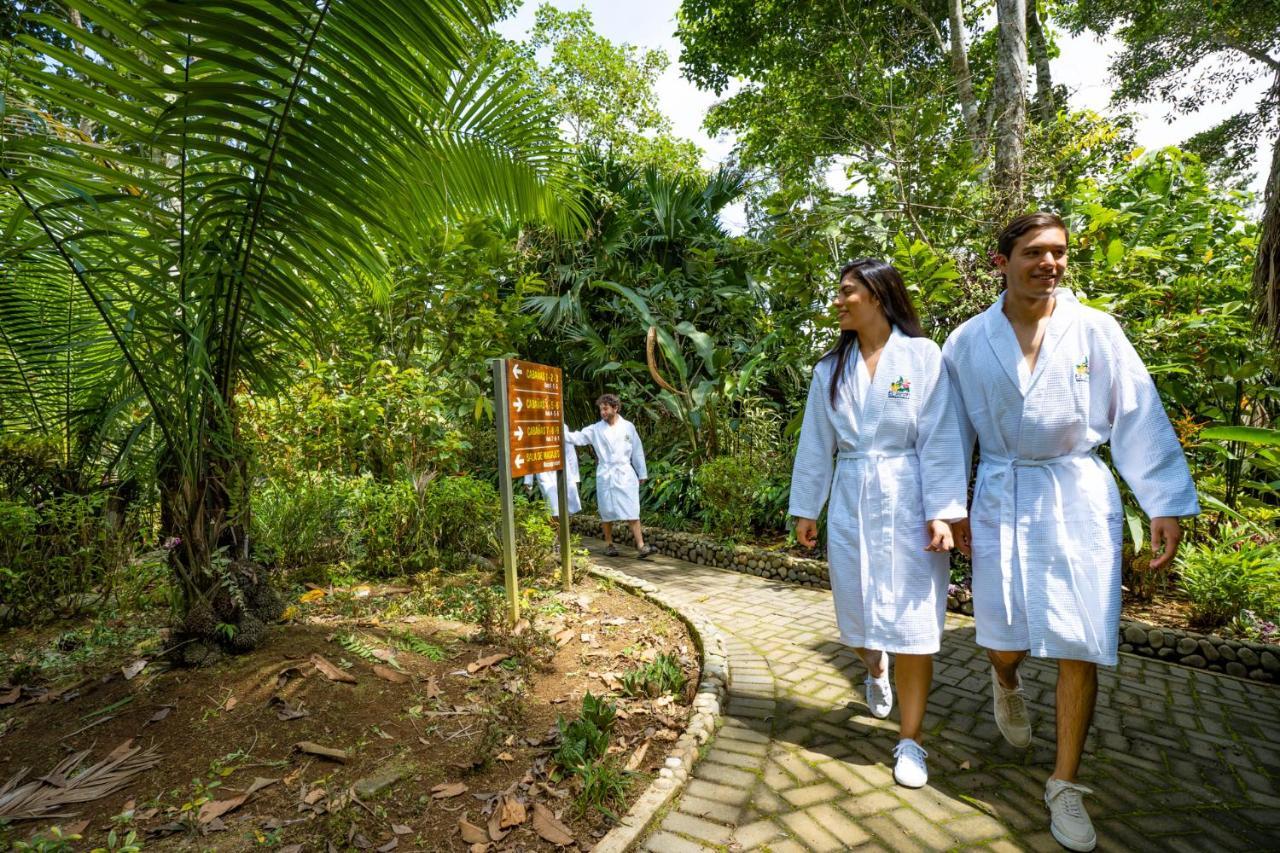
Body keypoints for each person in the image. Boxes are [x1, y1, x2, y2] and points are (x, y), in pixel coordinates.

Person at [943, 212, 1199, 852]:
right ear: (1001, 262)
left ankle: (1064, 783)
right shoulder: (968, 342)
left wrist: (1163, 499)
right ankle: (1005, 679)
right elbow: (949, 434)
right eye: (1034, 252)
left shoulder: (1096, 331)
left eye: (1058, 253)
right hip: (1002, 490)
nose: (1049, 264)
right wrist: (952, 507)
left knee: (1081, 639)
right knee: (1005, 635)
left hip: (1077, 491)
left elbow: (1138, 412)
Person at [789, 258, 967, 789]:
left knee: (914, 626)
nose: (839, 302)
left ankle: (911, 742)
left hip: (910, 497)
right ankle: (873, 667)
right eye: (839, 293)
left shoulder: (921, 356)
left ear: (879, 295)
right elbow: (815, 443)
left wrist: (943, 512)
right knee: (860, 613)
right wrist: (807, 507)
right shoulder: (830, 370)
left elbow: (940, 436)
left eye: (848, 292)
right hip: (851, 495)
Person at [565, 394, 655, 559]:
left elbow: (637, 450)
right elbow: (576, 438)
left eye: (605, 408)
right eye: (600, 409)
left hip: (625, 472)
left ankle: (641, 546)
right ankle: (609, 544)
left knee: (632, 509)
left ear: (615, 408)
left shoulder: (628, 427)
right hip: (606, 473)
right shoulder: (595, 429)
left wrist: (641, 472)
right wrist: (559, 429)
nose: (602, 412)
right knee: (606, 511)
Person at [523, 438, 581, 543]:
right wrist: (528, 479)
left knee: (565, 507)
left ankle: (563, 538)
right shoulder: (534, 427)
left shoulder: (561, 426)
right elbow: (530, 453)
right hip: (544, 471)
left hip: (563, 470)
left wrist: (575, 477)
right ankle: (558, 538)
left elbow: (570, 453)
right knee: (552, 507)